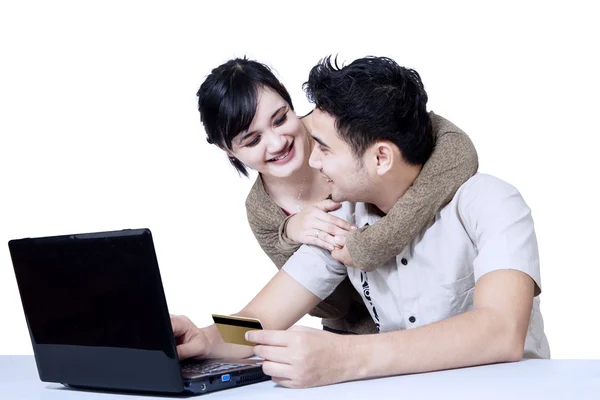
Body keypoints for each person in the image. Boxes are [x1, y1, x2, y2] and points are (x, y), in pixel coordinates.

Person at [172, 55, 549, 388]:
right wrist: (205, 339)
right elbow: (260, 319)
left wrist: (344, 357)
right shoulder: (343, 219)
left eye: (322, 147)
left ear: (380, 158)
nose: (311, 162)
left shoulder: (489, 201)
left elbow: (501, 331)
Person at [197, 57, 478, 334]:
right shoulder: (274, 215)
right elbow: (267, 316)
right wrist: (205, 338)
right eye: (253, 140)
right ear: (227, 149)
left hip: (435, 320)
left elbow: (449, 143)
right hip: (357, 339)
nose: (277, 142)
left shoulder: (334, 122)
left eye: (281, 119)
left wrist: (376, 242)